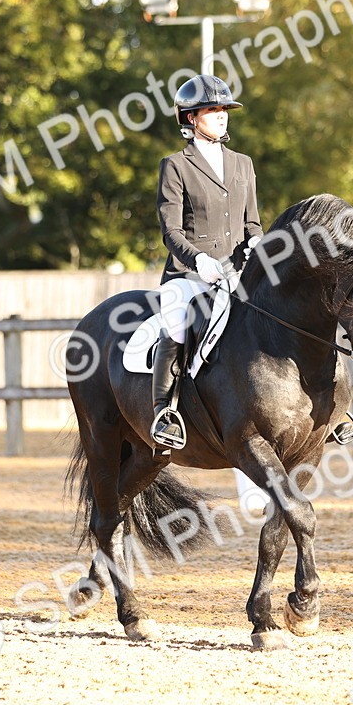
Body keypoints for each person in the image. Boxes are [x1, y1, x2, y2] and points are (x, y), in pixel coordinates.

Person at [150, 74, 262, 449]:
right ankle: (165, 411)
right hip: (190, 273)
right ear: (191, 117)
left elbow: (252, 222)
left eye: (224, 109)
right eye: (213, 109)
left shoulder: (243, 163)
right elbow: (171, 231)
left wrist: (256, 242)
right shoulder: (175, 166)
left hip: (238, 272)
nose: (222, 115)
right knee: (178, 320)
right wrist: (199, 262)